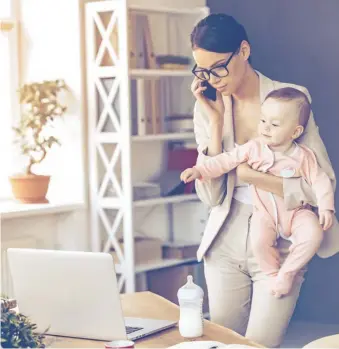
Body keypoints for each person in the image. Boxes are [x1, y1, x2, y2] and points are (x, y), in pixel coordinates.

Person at [189, 13, 339, 347]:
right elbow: (211, 198)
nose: (212, 79)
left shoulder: (291, 98)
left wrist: (251, 176)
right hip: (224, 242)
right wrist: (214, 126)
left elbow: (320, 181)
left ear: (243, 50)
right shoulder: (206, 108)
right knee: (224, 343)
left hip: (280, 241)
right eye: (202, 71)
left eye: (218, 67)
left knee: (259, 345)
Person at [181, 87, 335, 298]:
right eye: (263, 121)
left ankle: (287, 272)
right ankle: (273, 275)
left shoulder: (303, 156)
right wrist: (199, 170)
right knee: (259, 240)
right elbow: (226, 161)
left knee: (313, 234)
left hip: (297, 213)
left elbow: (320, 180)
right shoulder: (254, 148)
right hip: (264, 214)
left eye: (274, 124)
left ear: (295, 132)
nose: (265, 128)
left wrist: (326, 207)